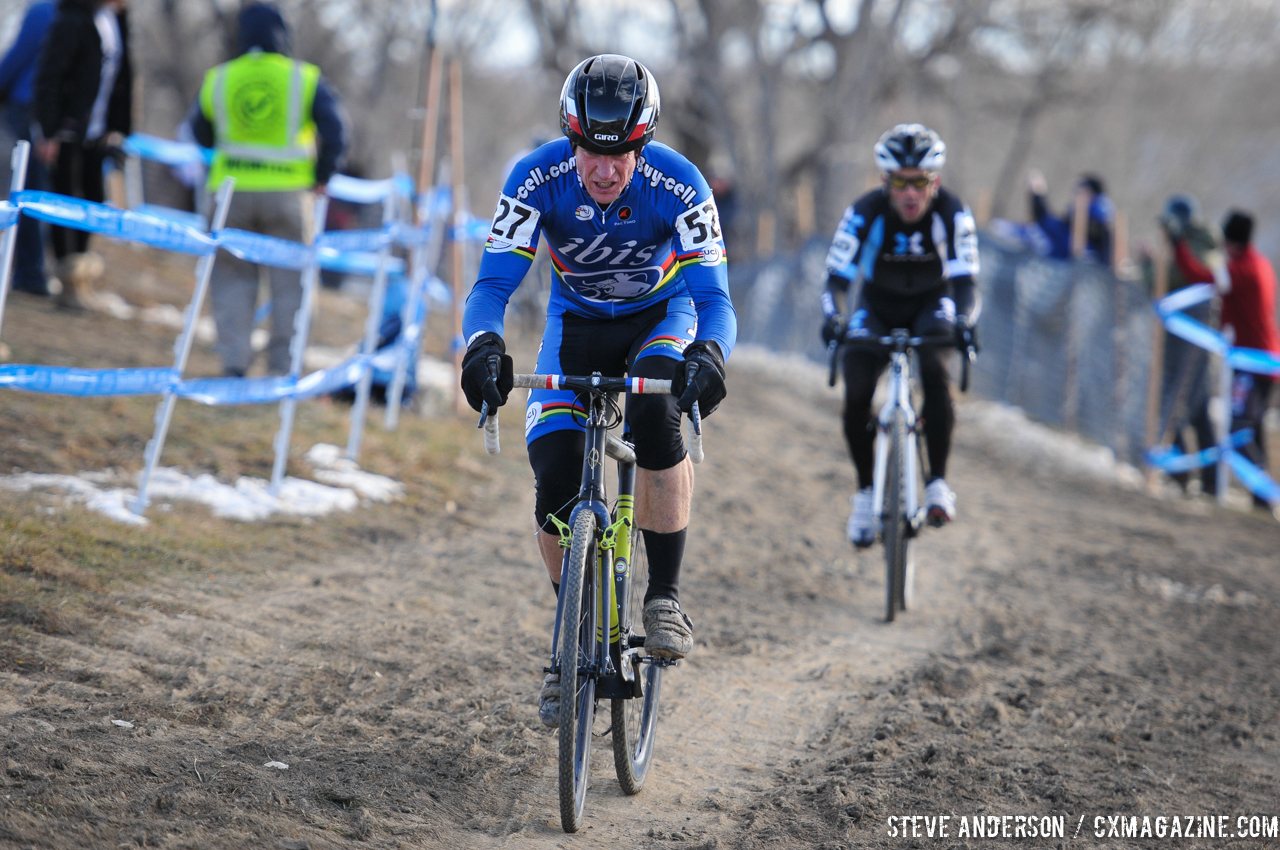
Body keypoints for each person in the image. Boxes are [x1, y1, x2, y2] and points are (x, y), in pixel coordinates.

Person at [459, 54, 735, 726]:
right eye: (590, 153)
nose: (606, 171)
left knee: (653, 413)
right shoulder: (535, 178)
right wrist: (482, 346)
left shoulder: (681, 184)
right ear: (570, 140)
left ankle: (663, 595)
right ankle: (570, 636)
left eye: (623, 156)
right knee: (553, 470)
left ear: (643, 146)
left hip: (660, 320)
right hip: (575, 325)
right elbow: (492, 287)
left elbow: (715, 298)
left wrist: (710, 354)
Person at [819, 123, 979, 547]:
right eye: (900, 183)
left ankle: (938, 484)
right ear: (885, 182)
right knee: (856, 392)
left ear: (935, 181)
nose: (911, 194)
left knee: (935, 370)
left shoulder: (953, 212)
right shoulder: (865, 211)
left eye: (920, 183)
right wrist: (834, 316)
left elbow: (966, 284)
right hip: (877, 305)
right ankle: (865, 492)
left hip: (933, 304)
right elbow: (836, 279)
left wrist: (964, 320)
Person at [183, 2, 346, 377]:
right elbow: (336, 129)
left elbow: (198, 129)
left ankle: (234, 362)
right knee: (292, 286)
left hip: (229, 195)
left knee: (231, 279)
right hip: (288, 195)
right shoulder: (303, 77)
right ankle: (283, 367)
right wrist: (322, 174)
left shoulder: (220, 77)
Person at [1175, 210, 1280, 509]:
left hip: (1252, 362)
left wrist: (1179, 245)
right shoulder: (1257, 264)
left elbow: (1201, 278)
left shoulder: (1242, 269)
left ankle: (1264, 493)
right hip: (1260, 360)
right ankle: (1262, 496)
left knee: (1239, 428)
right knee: (1252, 429)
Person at [32, 0, 132, 310]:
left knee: (92, 200)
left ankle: (82, 277)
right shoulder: (71, 19)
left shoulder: (116, 22)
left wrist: (119, 127)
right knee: (64, 201)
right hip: (68, 130)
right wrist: (49, 130)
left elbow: (124, 79)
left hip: (97, 134)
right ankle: (67, 279)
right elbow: (49, 76)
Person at [1154, 193, 1228, 494]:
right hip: (1181, 342)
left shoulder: (1206, 246)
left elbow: (1198, 275)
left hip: (1200, 344)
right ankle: (1185, 473)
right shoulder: (1185, 244)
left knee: (1192, 408)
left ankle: (1208, 479)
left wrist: (1177, 244)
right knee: (1183, 406)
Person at [0, 0, 55, 297]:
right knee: (32, 191)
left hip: (22, 108)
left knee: (19, 189)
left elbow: (19, 55)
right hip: (41, 115)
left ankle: (29, 270)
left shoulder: (45, 10)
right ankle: (30, 269)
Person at [1027, 169, 1114, 267]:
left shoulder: (1092, 221)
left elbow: (1050, 225)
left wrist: (1038, 196)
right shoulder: (1076, 222)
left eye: (1079, 192)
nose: (1075, 196)